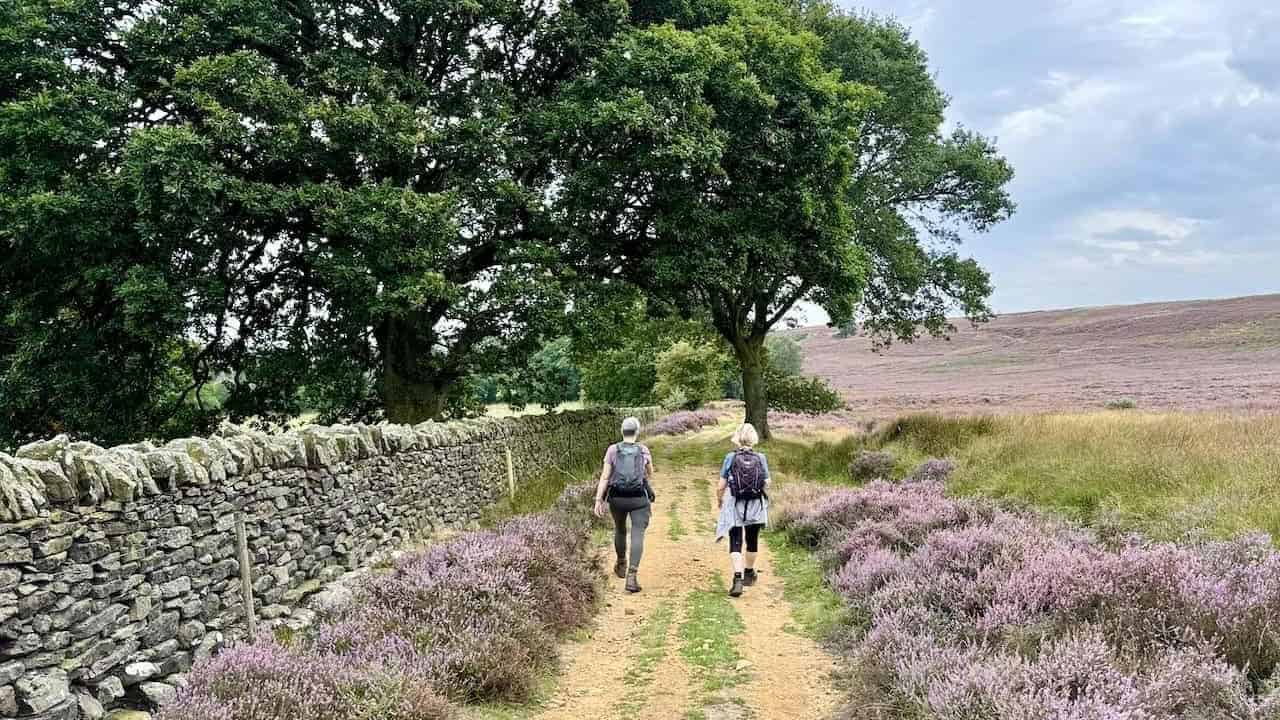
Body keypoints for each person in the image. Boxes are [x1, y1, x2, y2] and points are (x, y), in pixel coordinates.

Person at [594, 416, 655, 593]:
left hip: (617, 499)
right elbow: (650, 473)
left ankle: (621, 563)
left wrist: (599, 499)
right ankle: (631, 577)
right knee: (637, 535)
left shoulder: (612, 450)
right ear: (637, 431)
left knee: (620, 529)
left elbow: (605, 476)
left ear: (622, 431)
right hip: (638, 499)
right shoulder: (643, 450)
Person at [716, 422, 770, 597]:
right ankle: (749, 572)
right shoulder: (761, 458)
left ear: (737, 438)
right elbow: (767, 483)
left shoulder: (730, 457)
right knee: (752, 540)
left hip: (735, 503)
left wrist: (719, 500)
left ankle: (737, 579)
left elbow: (721, 485)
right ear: (754, 439)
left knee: (735, 541)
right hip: (755, 504)